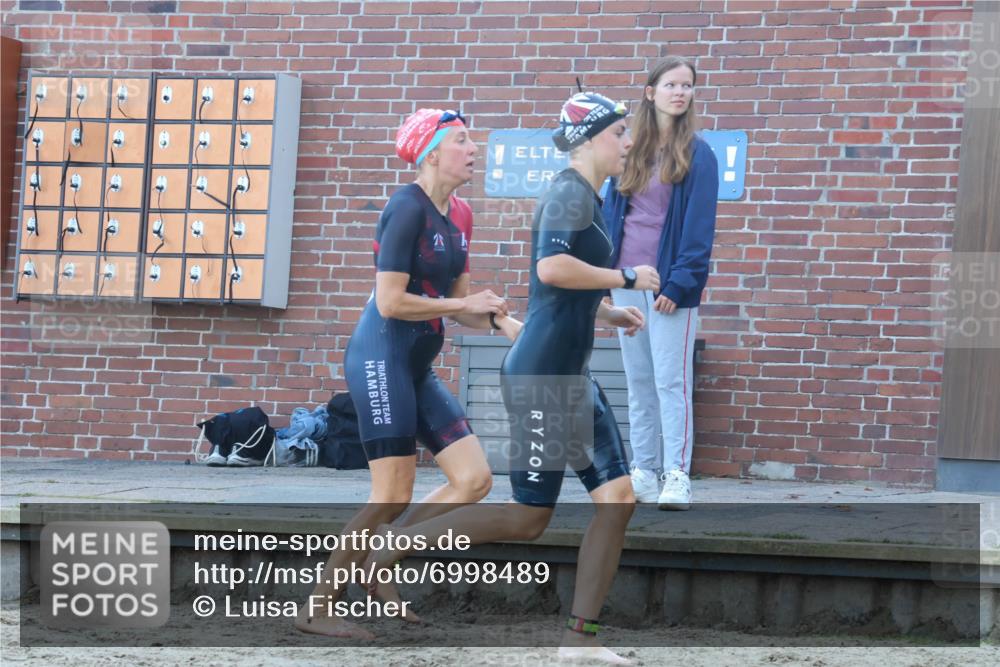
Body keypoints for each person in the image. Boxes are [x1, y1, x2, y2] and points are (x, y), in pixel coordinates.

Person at [363, 91, 657, 665]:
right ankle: (390, 548)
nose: (628, 143)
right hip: (544, 377)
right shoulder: (569, 193)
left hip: (567, 372)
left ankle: (579, 642)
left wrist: (603, 308)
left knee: (617, 500)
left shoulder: (588, 197)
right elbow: (552, 268)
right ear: (593, 137)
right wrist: (624, 278)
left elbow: (551, 291)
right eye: (620, 134)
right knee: (527, 519)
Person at [295, 108, 522, 639]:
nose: (474, 149)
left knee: (474, 480)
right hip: (380, 356)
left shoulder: (461, 213)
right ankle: (319, 605)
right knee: (391, 493)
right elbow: (392, 302)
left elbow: (459, 304)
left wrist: (504, 321)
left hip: (415, 365)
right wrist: (462, 305)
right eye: (463, 141)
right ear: (431, 152)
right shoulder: (405, 208)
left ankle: (381, 557)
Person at [603, 56, 719, 510]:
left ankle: (677, 475)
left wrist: (679, 283)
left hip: (670, 288)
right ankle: (644, 471)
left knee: (672, 381)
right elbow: (616, 216)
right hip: (627, 280)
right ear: (650, 92)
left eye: (688, 85)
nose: (680, 92)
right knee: (640, 382)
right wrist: (610, 278)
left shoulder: (698, 153)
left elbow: (698, 229)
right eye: (671, 84)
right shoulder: (631, 148)